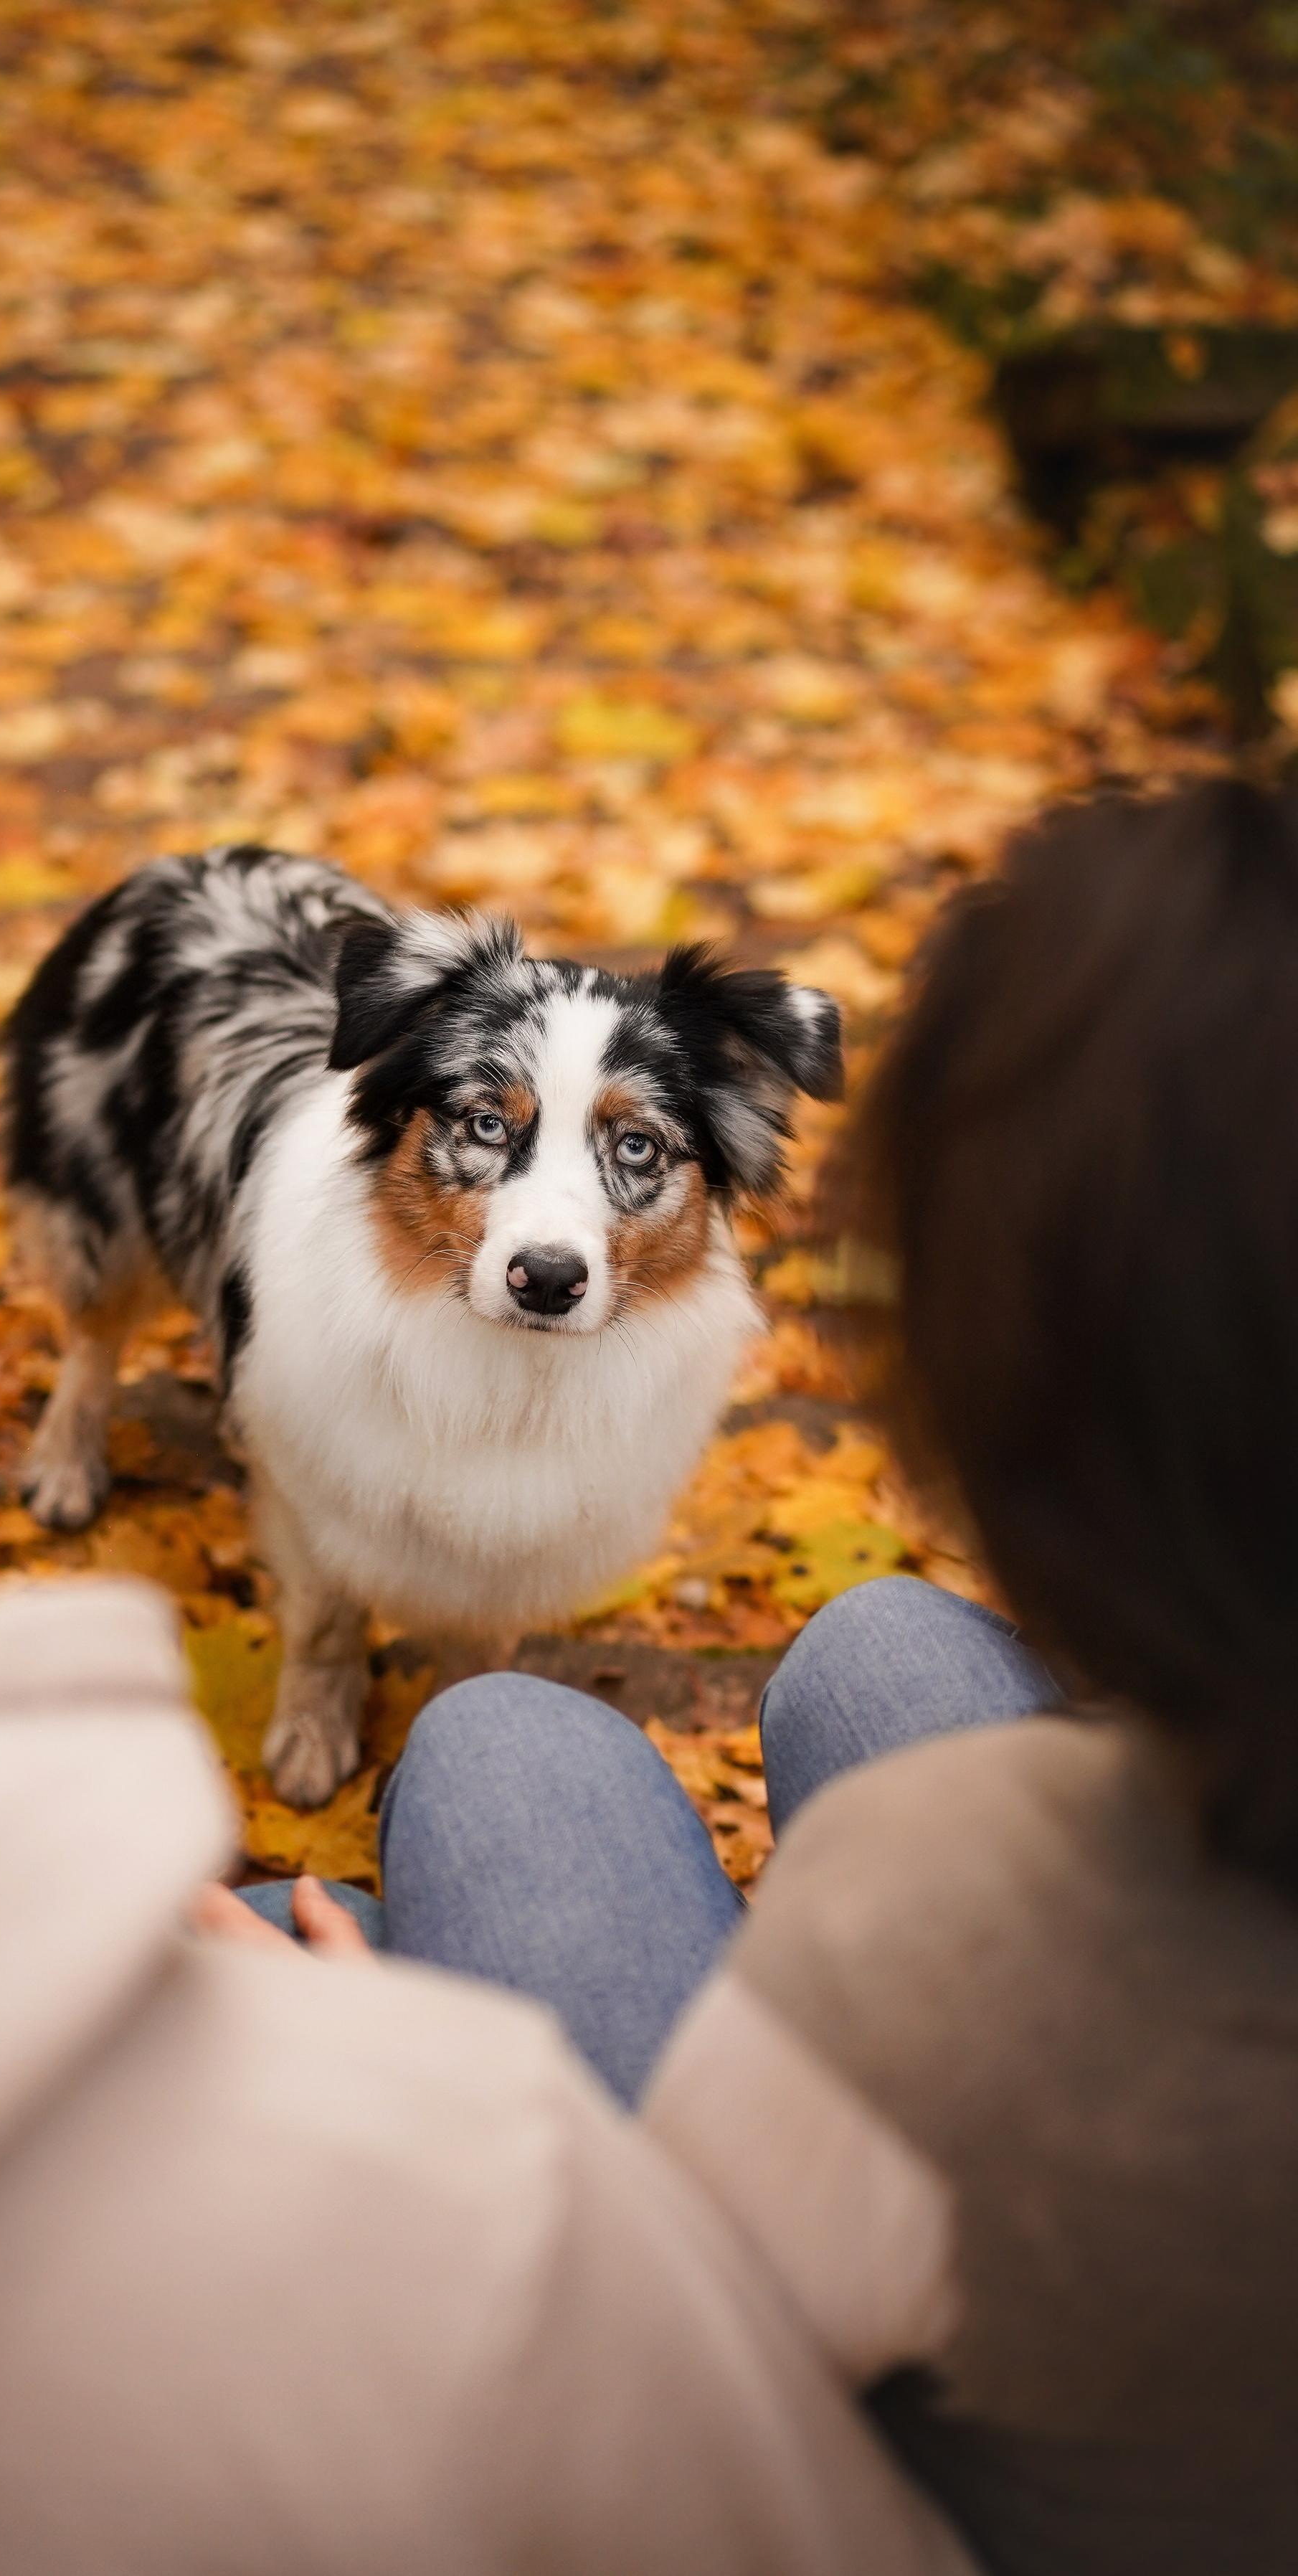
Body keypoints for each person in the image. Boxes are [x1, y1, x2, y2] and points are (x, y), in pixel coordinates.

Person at [0, 782, 972, 2576]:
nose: (550, 1224)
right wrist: (380, 2073)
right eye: (484, 1135)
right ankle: (113, 1401)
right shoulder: (476, 2165)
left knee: (505, 1707)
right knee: (515, 1721)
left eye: (632, 1152)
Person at [237, 780, 1298, 2576]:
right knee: (882, 1639)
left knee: (494, 1751)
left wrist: (385, 2077)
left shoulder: (933, 1915)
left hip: (860, 2485)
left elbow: (658, 2379)